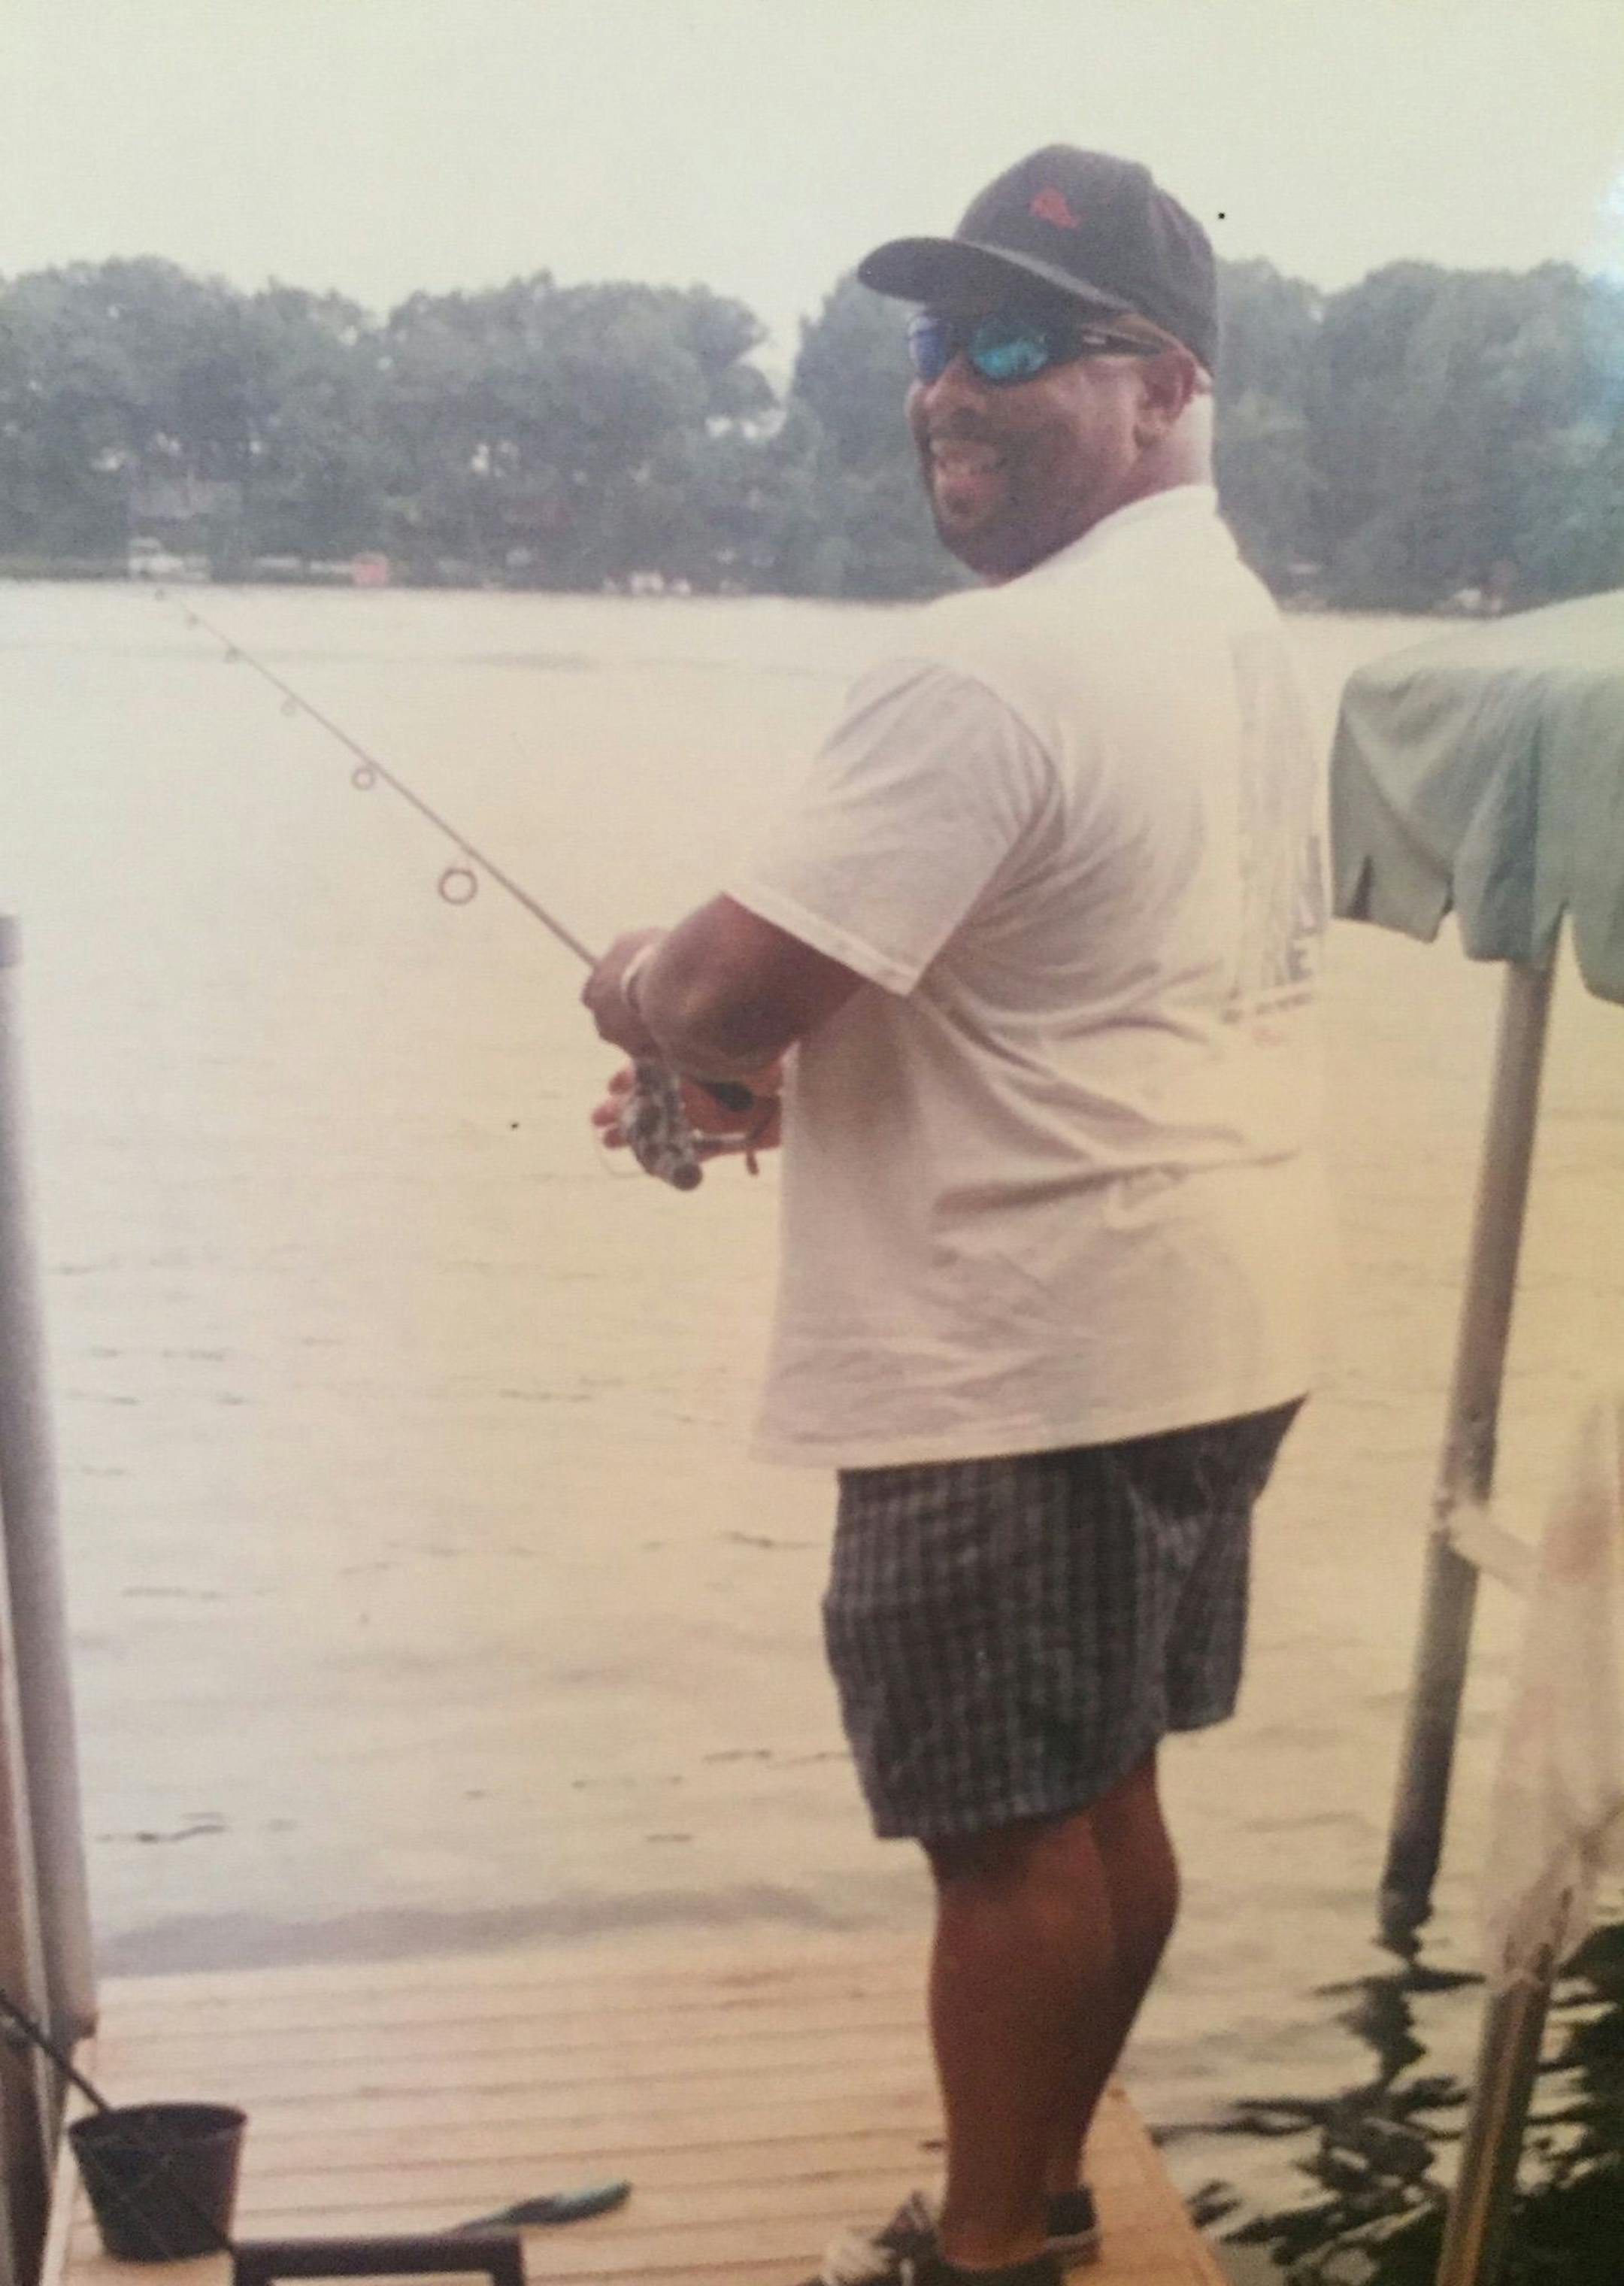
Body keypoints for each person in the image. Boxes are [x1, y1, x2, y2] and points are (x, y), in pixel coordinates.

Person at [583, 145, 1330, 2286]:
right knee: (1104, 1793)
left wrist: (636, 989)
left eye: (1018, 344)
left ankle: (987, 2248)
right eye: (934, 342)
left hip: (1018, 1361)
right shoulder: (1235, 634)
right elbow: (1075, 969)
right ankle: (1058, 2182)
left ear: (1166, 383)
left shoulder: (990, 671)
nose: (952, 392)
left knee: (1006, 1850)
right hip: (1215, 1319)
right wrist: (783, 1075)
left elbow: (724, 986)